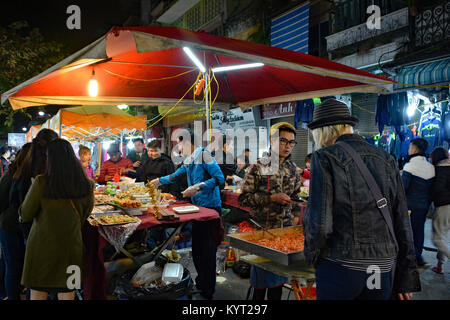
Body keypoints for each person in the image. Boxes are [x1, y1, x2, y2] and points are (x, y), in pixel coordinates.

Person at [303, 98, 420, 300]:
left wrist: (311, 256)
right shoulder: (387, 158)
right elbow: (401, 219)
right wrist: (406, 276)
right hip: (382, 267)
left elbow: (320, 223)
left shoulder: (324, 157)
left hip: (342, 266)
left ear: (322, 131)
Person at [150, 129, 224, 300]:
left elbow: (219, 178)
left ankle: (208, 291)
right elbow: (176, 175)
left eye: (179, 144)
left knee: (207, 252)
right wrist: (159, 181)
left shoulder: (204, 155)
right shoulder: (190, 159)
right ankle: (201, 283)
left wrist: (198, 187)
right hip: (197, 210)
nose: (178, 148)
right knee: (198, 251)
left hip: (211, 210)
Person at [19, 138, 94, 300]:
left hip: (42, 250)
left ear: (49, 159)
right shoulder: (87, 185)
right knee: (69, 292)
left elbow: (25, 214)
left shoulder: (40, 182)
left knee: (38, 293)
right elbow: (86, 214)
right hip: (71, 249)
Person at [238, 122, 302, 300]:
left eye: (291, 142)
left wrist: (295, 218)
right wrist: (271, 198)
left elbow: (297, 198)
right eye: (283, 141)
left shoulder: (292, 169)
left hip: (284, 234)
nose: (288, 146)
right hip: (262, 232)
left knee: (278, 285)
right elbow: (243, 199)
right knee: (260, 284)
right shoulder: (257, 167)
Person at [0, 143, 32, 300]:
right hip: (10, 227)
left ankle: (13, 292)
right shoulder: (12, 175)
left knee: (15, 266)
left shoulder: (25, 175)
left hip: (21, 227)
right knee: (13, 266)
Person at [402, 138, 435, 267]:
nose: (409, 149)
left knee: (407, 234)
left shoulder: (409, 166)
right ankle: (418, 256)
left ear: (415, 149)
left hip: (410, 206)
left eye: (410, 147)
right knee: (419, 232)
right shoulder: (431, 167)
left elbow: (404, 188)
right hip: (424, 206)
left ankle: (416, 258)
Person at [429, 147, 450, 274]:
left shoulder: (440, 169)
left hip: (444, 206)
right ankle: (440, 266)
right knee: (444, 238)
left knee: (437, 239)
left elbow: (438, 189)